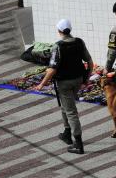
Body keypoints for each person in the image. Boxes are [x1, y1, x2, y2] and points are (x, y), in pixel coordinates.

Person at [35, 19, 93, 154]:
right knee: (66, 105)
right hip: (78, 79)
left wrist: (41, 84)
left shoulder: (58, 46)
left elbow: (52, 69)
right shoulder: (79, 42)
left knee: (71, 111)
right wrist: (87, 78)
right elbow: (89, 61)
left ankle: (78, 143)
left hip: (64, 83)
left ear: (59, 31)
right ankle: (67, 133)